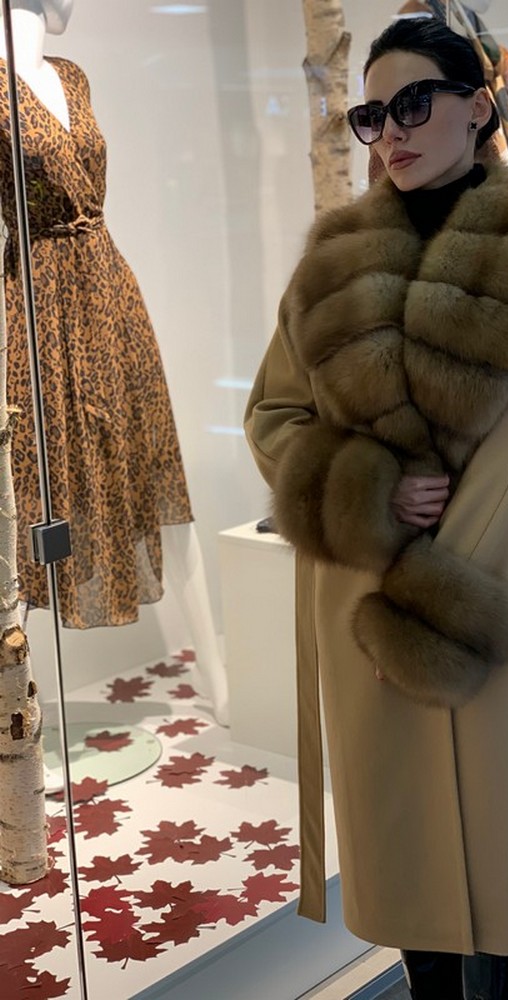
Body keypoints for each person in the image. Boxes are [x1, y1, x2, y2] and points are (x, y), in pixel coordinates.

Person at [245, 17, 508, 1000]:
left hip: (483, 595)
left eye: (412, 103)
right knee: (404, 859)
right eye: (372, 114)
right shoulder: (332, 261)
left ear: (478, 108)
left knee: (498, 853)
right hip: (362, 592)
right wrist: (366, 485)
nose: (390, 131)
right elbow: (274, 415)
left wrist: (428, 613)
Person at [0, 0, 228, 723]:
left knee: (150, 460)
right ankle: (12, 717)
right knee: (31, 490)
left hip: (109, 289)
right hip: (38, 303)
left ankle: (219, 680)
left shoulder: (72, 76)